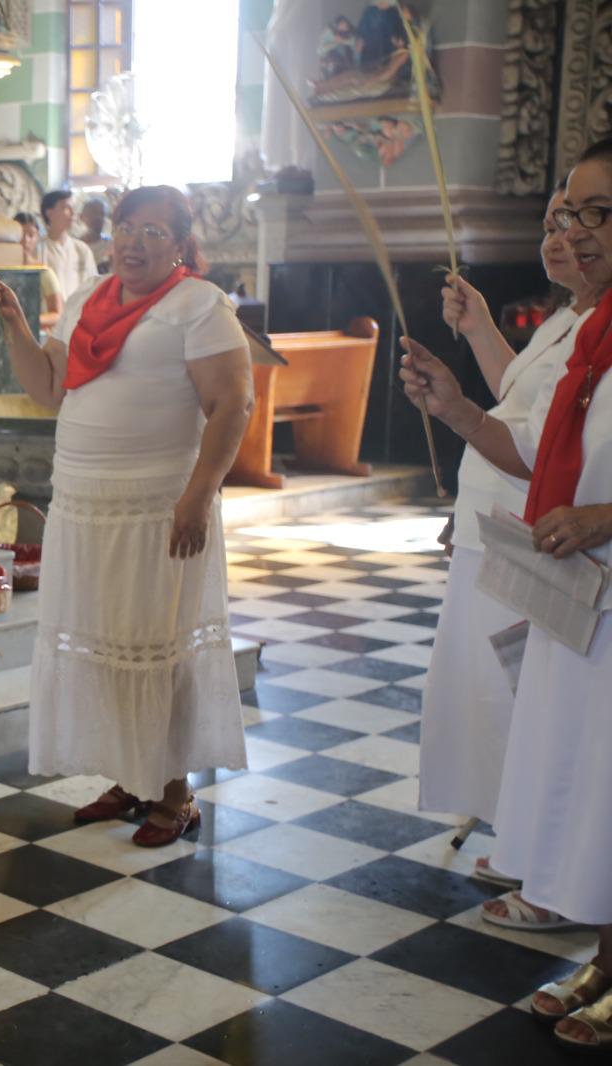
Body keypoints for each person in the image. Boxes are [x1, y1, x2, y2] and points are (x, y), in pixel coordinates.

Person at [400, 135, 612, 1052]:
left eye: (598, 212)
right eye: (568, 212)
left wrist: (606, 513)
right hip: (582, 590)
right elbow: (537, 451)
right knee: (592, 780)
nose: (577, 231)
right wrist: (453, 405)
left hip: (601, 567)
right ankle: (605, 955)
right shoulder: (593, 329)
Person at [0, 185, 253, 846]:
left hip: (158, 508)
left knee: (159, 644)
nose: (132, 243)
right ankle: (132, 775)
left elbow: (233, 406)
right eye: (126, 228)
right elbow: (49, 390)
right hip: (84, 505)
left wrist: (198, 495)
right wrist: (16, 324)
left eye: (153, 232)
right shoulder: (87, 301)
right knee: (105, 642)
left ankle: (174, 792)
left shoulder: (199, 306)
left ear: (181, 245)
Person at [37, 188, 100, 301]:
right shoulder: (38, 249)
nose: (73, 213)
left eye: (73, 208)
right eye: (66, 208)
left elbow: (93, 287)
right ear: (50, 213)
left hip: (78, 315)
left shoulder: (82, 249)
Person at [14, 210, 63, 332]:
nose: (25, 240)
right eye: (20, 234)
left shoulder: (44, 272)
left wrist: (30, 321)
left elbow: (57, 314)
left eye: (31, 235)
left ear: (37, 238)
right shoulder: (1, 268)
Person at [78, 196, 112, 272]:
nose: (98, 217)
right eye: (93, 212)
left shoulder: (112, 245)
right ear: (81, 217)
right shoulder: (74, 247)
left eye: (102, 213)